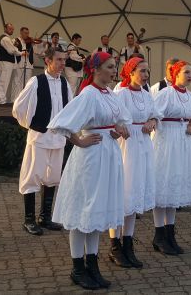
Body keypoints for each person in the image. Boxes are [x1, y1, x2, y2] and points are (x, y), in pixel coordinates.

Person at [47, 52, 131, 290]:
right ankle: (77, 268)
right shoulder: (88, 94)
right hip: (91, 158)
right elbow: (60, 123)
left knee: (96, 212)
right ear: (95, 69)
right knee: (83, 210)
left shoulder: (110, 94)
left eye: (115, 66)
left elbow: (119, 119)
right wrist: (79, 140)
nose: (114, 71)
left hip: (108, 154)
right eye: (110, 67)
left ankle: (92, 265)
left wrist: (119, 129)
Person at [12, 46, 73, 236]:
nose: (62, 63)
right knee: (32, 177)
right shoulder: (36, 81)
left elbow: (70, 108)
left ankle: (45, 217)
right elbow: (18, 108)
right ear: (48, 60)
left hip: (58, 139)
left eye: (64, 60)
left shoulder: (64, 83)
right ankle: (29, 219)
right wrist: (32, 125)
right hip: (39, 138)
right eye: (59, 60)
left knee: (53, 177)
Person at [150, 60, 191, 255]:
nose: (190, 76)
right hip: (167, 141)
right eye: (186, 72)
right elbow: (153, 114)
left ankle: (170, 233)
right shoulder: (165, 94)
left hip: (184, 142)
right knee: (164, 185)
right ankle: (159, 234)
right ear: (176, 74)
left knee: (175, 188)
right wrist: (153, 123)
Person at [107, 57, 157, 269]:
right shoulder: (121, 94)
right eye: (142, 71)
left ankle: (128, 243)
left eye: (147, 71)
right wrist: (120, 128)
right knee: (122, 194)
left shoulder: (147, 94)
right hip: (125, 147)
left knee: (135, 194)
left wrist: (152, 122)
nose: (146, 75)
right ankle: (115, 245)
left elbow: (155, 115)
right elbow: (110, 119)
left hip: (143, 146)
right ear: (131, 72)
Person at [0, 23, 26, 104]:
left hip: (5, 63)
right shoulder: (5, 39)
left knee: (3, 82)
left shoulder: (7, 39)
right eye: (10, 29)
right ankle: (1, 101)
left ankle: (1, 100)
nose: (11, 30)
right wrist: (21, 53)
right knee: (3, 82)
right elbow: (11, 50)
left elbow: (12, 49)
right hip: (5, 63)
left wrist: (14, 46)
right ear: (5, 29)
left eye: (12, 29)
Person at [14, 27, 36, 100]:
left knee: (28, 82)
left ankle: (25, 100)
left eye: (28, 33)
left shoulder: (30, 42)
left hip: (28, 64)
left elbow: (37, 51)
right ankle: (16, 99)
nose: (27, 35)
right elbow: (14, 51)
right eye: (25, 33)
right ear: (21, 33)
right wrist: (22, 53)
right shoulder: (16, 40)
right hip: (19, 63)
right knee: (18, 82)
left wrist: (33, 45)